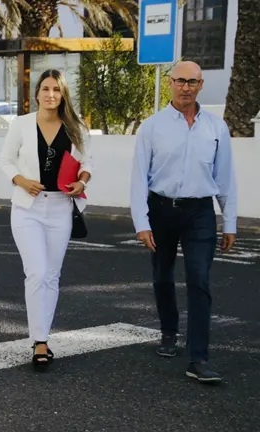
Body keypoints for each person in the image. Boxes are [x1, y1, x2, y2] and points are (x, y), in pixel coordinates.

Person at [130, 60, 237, 384]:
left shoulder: (216, 128)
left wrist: (229, 222)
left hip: (200, 213)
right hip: (160, 209)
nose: (186, 87)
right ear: (170, 82)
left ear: (201, 85)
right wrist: (141, 222)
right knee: (162, 276)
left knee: (199, 280)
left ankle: (198, 357)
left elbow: (226, 178)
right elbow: (138, 178)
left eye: (192, 82)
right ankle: (168, 332)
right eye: (180, 81)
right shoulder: (152, 126)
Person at [0, 69, 92, 370]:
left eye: (57, 90)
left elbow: (87, 162)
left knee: (51, 275)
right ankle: (38, 336)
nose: (51, 94)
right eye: (46, 88)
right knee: (37, 272)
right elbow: (4, 160)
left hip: (61, 207)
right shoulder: (22, 124)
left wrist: (82, 181)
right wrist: (21, 180)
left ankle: (42, 340)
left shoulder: (75, 127)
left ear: (63, 94)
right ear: (37, 92)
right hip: (28, 207)